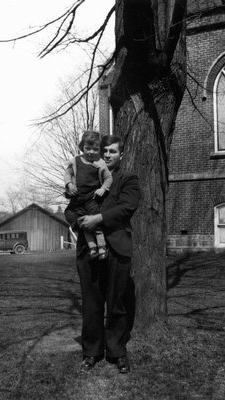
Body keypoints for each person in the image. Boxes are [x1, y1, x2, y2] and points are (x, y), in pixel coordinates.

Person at [72, 134, 140, 374]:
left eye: (112, 151)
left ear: (121, 154)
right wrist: (79, 223)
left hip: (116, 248)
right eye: (105, 151)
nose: (108, 155)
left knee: (116, 304)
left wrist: (98, 219)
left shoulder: (128, 179)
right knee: (91, 303)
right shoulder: (86, 174)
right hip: (88, 249)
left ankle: (117, 351)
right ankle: (91, 352)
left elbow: (127, 208)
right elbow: (71, 208)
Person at [64, 131, 112, 260]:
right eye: (87, 148)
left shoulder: (100, 163)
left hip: (92, 198)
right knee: (83, 224)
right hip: (78, 198)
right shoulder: (76, 161)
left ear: (100, 150)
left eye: (95, 149)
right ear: (82, 148)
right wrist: (69, 184)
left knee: (95, 223)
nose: (91, 152)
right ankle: (92, 248)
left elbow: (108, 178)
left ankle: (101, 246)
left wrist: (103, 189)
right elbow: (67, 174)